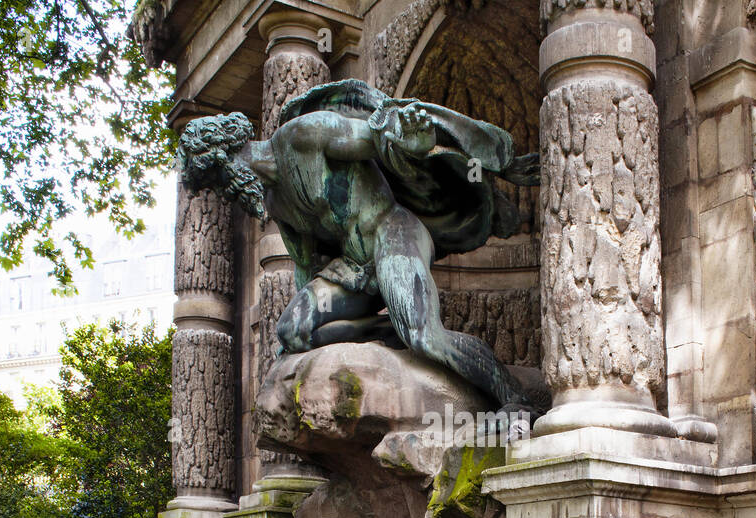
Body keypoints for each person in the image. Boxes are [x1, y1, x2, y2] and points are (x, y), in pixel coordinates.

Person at [180, 79, 540, 416]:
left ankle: (514, 397)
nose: (226, 192)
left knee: (424, 337)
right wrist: (297, 343)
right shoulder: (277, 203)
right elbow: (306, 267)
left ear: (226, 157)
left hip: (392, 234)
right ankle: (385, 331)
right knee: (291, 331)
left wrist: (412, 139)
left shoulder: (302, 137)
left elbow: (377, 138)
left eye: (219, 179)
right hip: (352, 267)